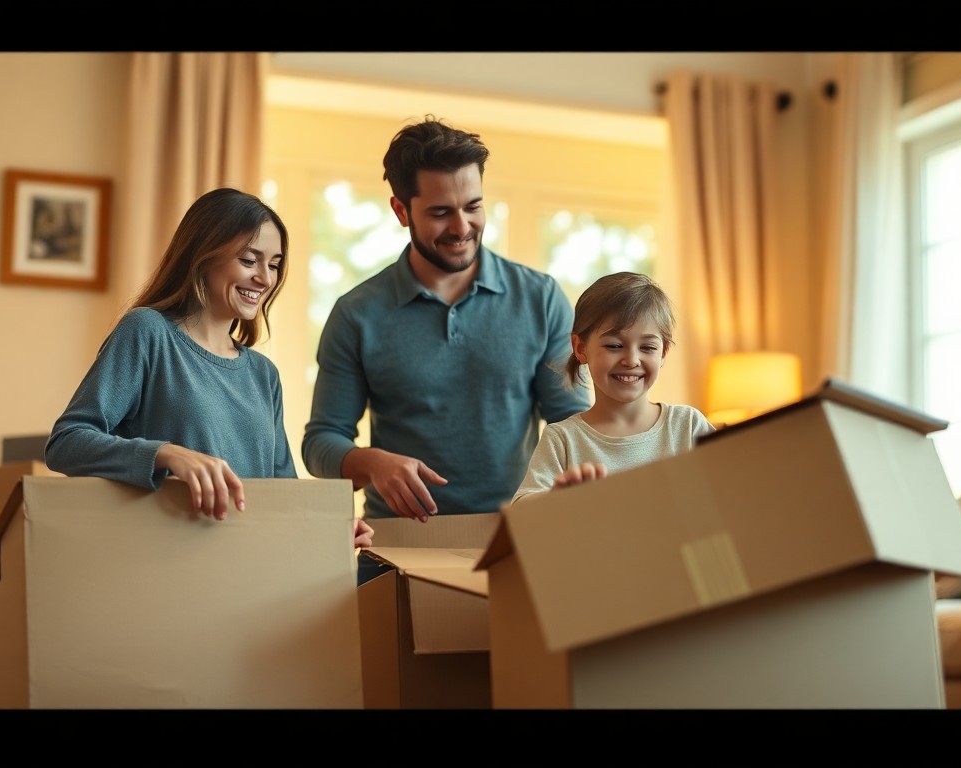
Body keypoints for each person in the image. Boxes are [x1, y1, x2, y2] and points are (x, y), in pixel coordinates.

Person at [301, 116, 587, 582]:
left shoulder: (541, 298)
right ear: (400, 210)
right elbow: (321, 443)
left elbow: (570, 424)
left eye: (473, 206)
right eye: (440, 213)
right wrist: (372, 463)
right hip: (394, 551)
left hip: (515, 541)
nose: (462, 226)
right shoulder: (356, 314)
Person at [45, 187, 372, 548]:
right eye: (249, 260)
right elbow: (66, 443)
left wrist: (327, 526)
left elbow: (282, 495)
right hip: (163, 568)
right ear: (203, 256)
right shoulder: (148, 333)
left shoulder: (264, 375)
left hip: (249, 576)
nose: (265, 278)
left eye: (274, 265)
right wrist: (164, 453)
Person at [510, 271, 715, 503]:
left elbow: (733, 490)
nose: (631, 360)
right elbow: (521, 509)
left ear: (664, 352)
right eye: (614, 345)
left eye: (647, 348)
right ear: (580, 348)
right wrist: (556, 501)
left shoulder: (688, 426)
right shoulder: (562, 440)